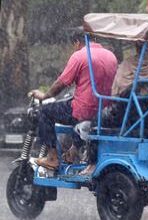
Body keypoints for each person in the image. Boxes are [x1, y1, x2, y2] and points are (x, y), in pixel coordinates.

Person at [29, 29, 118, 175]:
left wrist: (45, 96)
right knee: (75, 109)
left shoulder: (79, 55)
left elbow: (61, 83)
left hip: (85, 110)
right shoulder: (111, 56)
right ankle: (73, 150)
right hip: (104, 110)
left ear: (77, 42)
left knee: (44, 112)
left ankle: (52, 157)